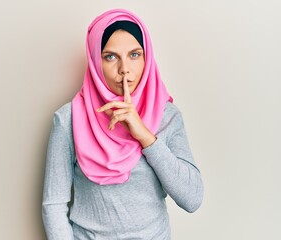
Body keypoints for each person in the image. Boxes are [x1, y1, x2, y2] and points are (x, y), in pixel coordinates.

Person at [42, 8, 203, 240]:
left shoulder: (168, 116)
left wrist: (146, 137)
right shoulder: (68, 120)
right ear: (96, 61)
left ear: (147, 59)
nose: (124, 69)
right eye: (110, 56)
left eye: (135, 54)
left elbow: (192, 199)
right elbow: (54, 203)